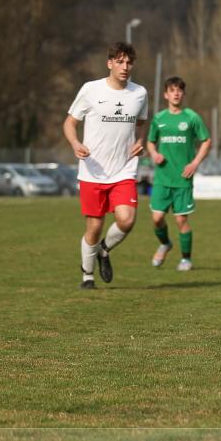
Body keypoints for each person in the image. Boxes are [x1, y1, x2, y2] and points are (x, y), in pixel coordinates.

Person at [63, 42, 148, 290]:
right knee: (95, 226)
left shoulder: (139, 93)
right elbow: (69, 123)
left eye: (129, 62)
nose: (125, 67)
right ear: (109, 63)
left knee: (127, 219)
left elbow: (142, 122)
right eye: (119, 62)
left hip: (124, 169)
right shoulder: (91, 89)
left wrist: (140, 140)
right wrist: (75, 143)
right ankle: (87, 275)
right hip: (93, 170)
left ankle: (104, 250)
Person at [148, 77, 212, 270]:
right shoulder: (159, 119)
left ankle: (186, 259)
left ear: (183, 94)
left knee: (180, 219)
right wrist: (154, 154)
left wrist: (194, 163)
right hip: (162, 178)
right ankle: (165, 243)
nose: (176, 93)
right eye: (172, 90)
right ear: (165, 94)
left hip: (183, 178)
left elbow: (206, 140)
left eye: (179, 90)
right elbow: (150, 141)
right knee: (157, 218)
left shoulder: (191, 117)